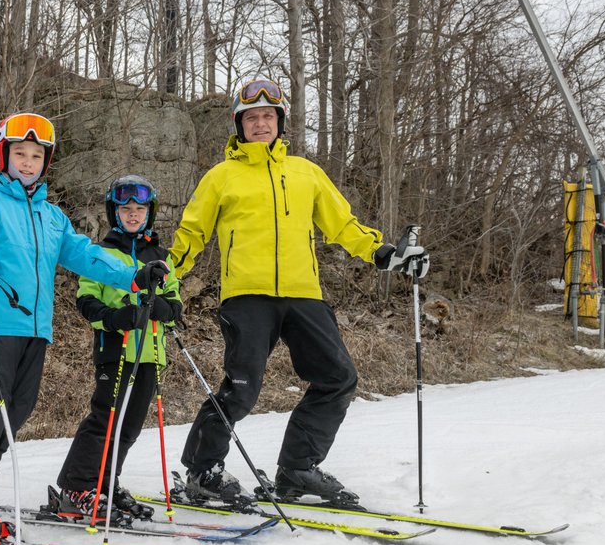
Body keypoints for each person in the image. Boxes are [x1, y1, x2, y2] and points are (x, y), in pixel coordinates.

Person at [0, 113, 169, 545]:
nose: (28, 162)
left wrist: (134, 273)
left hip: (37, 331)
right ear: (4, 155)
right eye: (20, 153)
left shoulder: (51, 217)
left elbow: (86, 255)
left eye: (36, 155)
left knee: (12, 420)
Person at [169, 79, 428, 505]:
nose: (260, 123)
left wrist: (383, 253)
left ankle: (298, 470)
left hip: (304, 293)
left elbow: (343, 225)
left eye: (268, 116)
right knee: (241, 388)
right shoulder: (222, 177)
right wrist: (166, 275)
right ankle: (203, 471)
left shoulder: (306, 173)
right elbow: (192, 233)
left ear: (280, 122)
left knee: (337, 378)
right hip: (247, 296)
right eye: (251, 117)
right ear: (239, 124)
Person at [54, 175, 183, 523]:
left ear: (149, 214)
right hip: (116, 345)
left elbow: (175, 305)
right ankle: (77, 486)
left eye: (139, 209)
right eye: (126, 209)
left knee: (129, 427)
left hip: (151, 354)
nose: (133, 215)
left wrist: (161, 309)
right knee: (104, 419)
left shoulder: (161, 257)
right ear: (115, 213)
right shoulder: (102, 254)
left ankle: (106, 483)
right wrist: (115, 317)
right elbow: (86, 300)